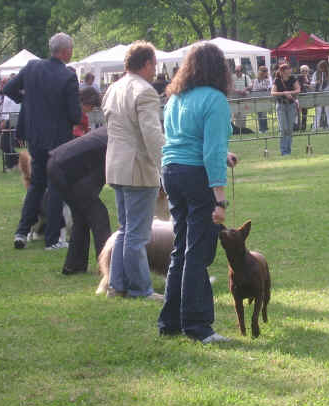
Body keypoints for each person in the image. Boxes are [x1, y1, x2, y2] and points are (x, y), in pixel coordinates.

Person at [157, 43, 237, 343]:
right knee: (198, 252)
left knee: (181, 247)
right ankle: (198, 325)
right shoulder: (215, 99)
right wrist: (219, 199)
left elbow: (188, 139)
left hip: (172, 172)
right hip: (195, 175)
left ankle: (170, 320)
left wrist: (223, 154)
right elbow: (211, 151)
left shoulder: (176, 98)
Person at [5, 32, 82, 250]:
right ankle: (52, 239)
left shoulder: (31, 67)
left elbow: (8, 89)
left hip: (35, 137)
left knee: (37, 184)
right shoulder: (67, 76)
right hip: (58, 140)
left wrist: (27, 100)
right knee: (56, 185)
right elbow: (75, 116)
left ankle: (21, 232)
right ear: (66, 51)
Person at [102, 40, 164, 299]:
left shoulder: (113, 88)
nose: (155, 71)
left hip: (116, 167)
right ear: (147, 63)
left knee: (126, 230)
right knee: (137, 235)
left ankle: (117, 285)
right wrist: (165, 165)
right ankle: (140, 288)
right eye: (154, 65)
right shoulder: (145, 91)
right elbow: (152, 135)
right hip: (137, 169)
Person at [46, 126, 112, 275]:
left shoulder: (110, 132)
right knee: (99, 215)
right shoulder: (116, 140)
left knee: (82, 217)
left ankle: (74, 266)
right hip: (64, 169)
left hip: (57, 164)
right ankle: (108, 265)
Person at [271, 63, 300, 155]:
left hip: (291, 106)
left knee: (290, 129)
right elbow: (272, 92)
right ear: (283, 71)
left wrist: (289, 92)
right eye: (288, 69)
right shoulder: (277, 80)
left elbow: (298, 90)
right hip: (281, 106)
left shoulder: (293, 79)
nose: (290, 70)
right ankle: (284, 151)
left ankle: (288, 150)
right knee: (284, 129)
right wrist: (283, 93)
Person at [311, 60, 329, 129]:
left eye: (322, 67)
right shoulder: (316, 73)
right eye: (320, 67)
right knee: (318, 111)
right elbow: (312, 83)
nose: (320, 69)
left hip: (327, 92)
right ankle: (315, 126)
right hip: (318, 93)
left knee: (328, 110)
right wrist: (316, 82)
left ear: (325, 67)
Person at [231, 65, 252, 129]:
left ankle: (243, 129)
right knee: (235, 115)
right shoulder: (232, 77)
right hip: (234, 99)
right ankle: (237, 129)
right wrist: (237, 91)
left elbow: (251, 86)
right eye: (235, 71)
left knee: (243, 115)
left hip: (244, 99)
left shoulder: (246, 77)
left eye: (238, 71)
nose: (236, 72)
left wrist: (245, 89)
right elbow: (230, 87)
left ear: (242, 71)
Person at [252, 65, 271, 133]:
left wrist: (265, 88)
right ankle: (261, 129)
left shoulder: (267, 80)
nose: (265, 73)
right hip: (258, 99)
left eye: (266, 72)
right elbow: (254, 89)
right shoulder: (256, 80)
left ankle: (265, 128)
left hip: (265, 98)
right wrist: (262, 88)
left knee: (264, 114)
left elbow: (269, 87)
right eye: (264, 71)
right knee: (260, 114)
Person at [297, 65, 311, 131]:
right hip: (300, 96)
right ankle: (298, 126)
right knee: (298, 113)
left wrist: (308, 84)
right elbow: (299, 85)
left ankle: (303, 127)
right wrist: (307, 85)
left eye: (306, 71)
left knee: (305, 113)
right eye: (303, 71)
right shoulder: (299, 77)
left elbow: (310, 84)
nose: (304, 72)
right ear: (300, 71)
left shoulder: (308, 77)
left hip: (306, 96)